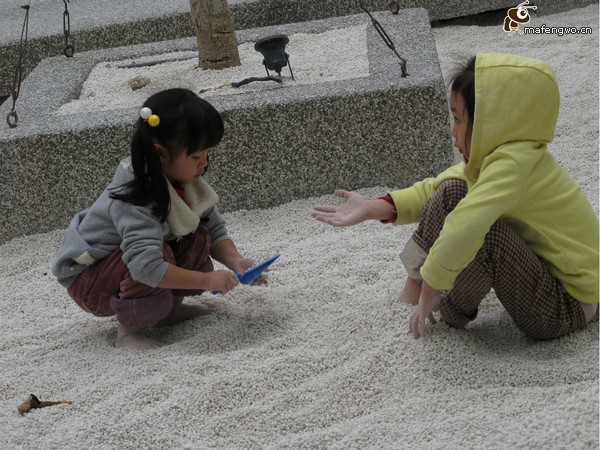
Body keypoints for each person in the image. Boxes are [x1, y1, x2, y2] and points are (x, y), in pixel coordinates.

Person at [312, 53, 599, 340]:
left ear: (492, 124)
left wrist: (431, 285)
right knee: (451, 191)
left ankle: (445, 309)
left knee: (487, 236)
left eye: (459, 120)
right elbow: (438, 188)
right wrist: (375, 207)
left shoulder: (512, 166)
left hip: (567, 306)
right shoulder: (505, 155)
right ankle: (414, 287)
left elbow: (466, 224)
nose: (453, 132)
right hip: (547, 280)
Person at [52, 88, 262, 350]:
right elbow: (145, 266)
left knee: (197, 235)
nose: (204, 164)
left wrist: (237, 261)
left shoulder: (184, 180)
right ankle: (127, 333)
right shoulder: (136, 195)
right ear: (159, 152)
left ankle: (167, 313)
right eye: (196, 156)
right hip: (89, 282)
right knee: (157, 253)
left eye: (207, 154)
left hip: (124, 267)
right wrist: (207, 281)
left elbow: (213, 228)